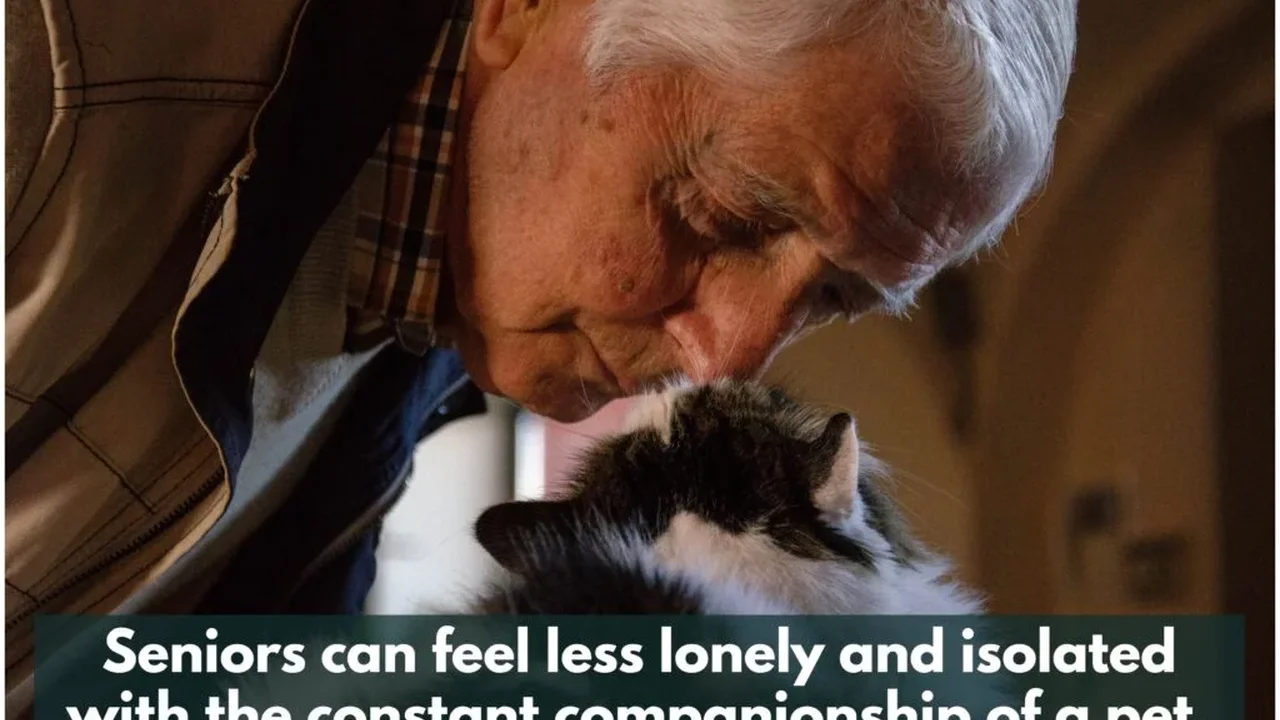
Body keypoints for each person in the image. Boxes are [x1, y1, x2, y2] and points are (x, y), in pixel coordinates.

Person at [4, 0, 1076, 701]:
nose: (723, 361)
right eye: (722, 212)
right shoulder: (44, 74)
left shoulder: (432, 296)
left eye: (833, 295)